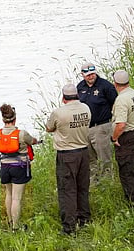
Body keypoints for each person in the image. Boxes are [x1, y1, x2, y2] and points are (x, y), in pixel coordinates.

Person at [46, 84, 91, 235]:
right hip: (84, 152)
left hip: (67, 155)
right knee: (82, 187)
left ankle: (69, 227)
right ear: (77, 95)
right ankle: (84, 218)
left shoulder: (59, 113)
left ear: (63, 97)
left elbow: (49, 128)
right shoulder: (86, 108)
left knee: (67, 190)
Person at [0, 104, 39, 231]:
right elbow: (32, 141)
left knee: (8, 194)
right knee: (17, 198)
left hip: (4, 167)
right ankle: (16, 227)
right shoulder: (21, 134)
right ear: (15, 119)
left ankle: (9, 222)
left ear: (3, 119)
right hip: (19, 166)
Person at [111, 70, 134, 206]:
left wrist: (114, 138)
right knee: (133, 164)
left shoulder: (121, 100)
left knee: (126, 167)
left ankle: (132, 200)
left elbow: (121, 125)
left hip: (125, 136)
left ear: (115, 83)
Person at [77, 62, 118, 184]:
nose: (91, 76)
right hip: (85, 128)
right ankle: (94, 183)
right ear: (83, 75)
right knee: (90, 159)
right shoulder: (80, 87)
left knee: (104, 157)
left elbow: (115, 104)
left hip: (101, 126)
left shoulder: (105, 86)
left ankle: (108, 182)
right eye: (88, 75)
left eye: (93, 74)